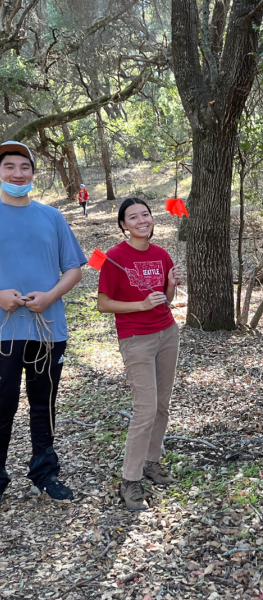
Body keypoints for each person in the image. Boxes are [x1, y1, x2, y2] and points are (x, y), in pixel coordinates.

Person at [0, 141, 86, 503]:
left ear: (34, 173)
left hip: (48, 330)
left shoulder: (52, 216)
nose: (18, 173)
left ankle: (45, 472)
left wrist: (50, 297)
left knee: (43, 404)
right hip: (4, 331)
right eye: (9, 167)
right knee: (2, 404)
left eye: (25, 167)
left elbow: (74, 268)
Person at [97, 198, 181, 511]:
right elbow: (103, 303)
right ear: (123, 225)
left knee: (161, 406)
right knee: (145, 408)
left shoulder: (161, 254)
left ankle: (151, 461)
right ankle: (130, 480)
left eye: (145, 214)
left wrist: (170, 286)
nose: (141, 220)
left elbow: (165, 300)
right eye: (133, 217)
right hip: (136, 339)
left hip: (167, 334)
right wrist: (140, 305)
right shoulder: (114, 258)